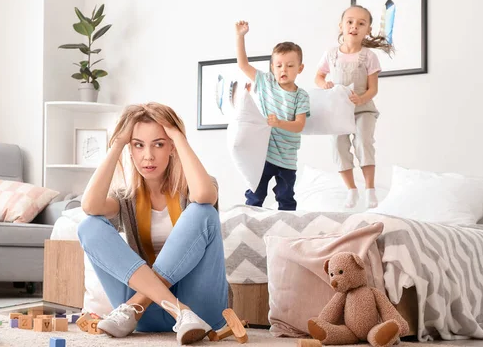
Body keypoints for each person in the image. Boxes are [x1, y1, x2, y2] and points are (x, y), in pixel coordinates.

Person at [77, 102, 228, 345]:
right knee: (89, 226)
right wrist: (118, 143)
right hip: (142, 318)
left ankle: (146, 305)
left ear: (171, 146)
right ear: (131, 149)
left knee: (203, 212)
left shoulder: (198, 185)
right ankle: (176, 310)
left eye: (158, 143)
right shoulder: (125, 199)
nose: (148, 156)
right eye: (138, 145)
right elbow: (90, 206)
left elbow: (204, 197)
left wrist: (178, 136)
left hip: (198, 312)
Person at [315, 5, 394, 209]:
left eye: (361, 23)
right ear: (341, 26)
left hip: (363, 109)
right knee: (338, 147)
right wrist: (324, 84)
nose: (354, 26)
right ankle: (351, 190)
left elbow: (373, 89)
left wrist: (362, 98)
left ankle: (370, 190)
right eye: (349, 22)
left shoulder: (368, 56)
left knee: (363, 141)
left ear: (368, 30)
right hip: (338, 112)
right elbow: (319, 76)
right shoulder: (331, 54)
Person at [235, 20, 310, 211]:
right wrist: (240, 37)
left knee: (286, 198)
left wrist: (279, 123)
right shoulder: (265, 82)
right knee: (255, 194)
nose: (283, 70)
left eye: (289, 65)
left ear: (300, 68)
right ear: (272, 67)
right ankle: (248, 224)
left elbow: (299, 125)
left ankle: (287, 231)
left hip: (287, 157)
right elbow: (243, 65)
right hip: (264, 153)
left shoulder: (301, 96)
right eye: (278, 66)